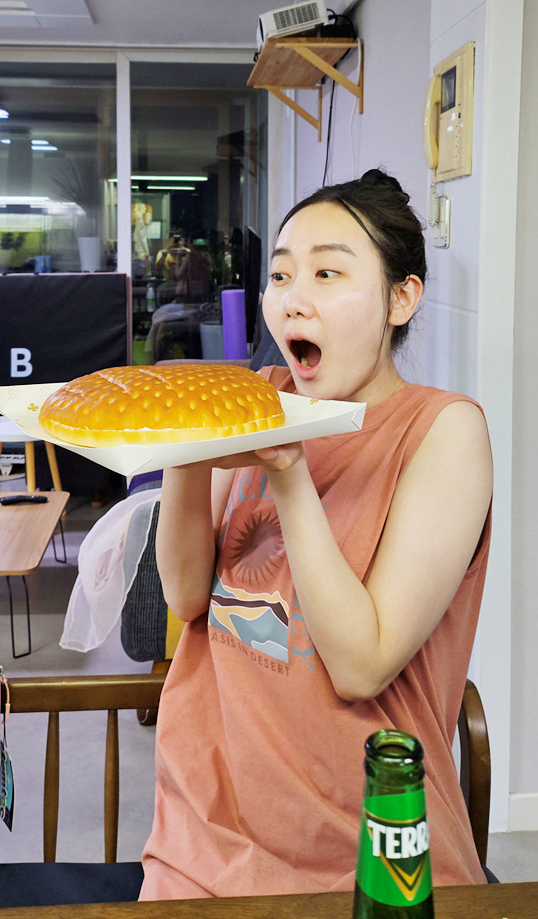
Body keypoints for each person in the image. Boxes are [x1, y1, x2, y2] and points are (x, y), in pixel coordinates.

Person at [140, 169, 493, 900]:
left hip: (370, 856)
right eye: (280, 275)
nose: (292, 298)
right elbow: (186, 596)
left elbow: (361, 667)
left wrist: (288, 471)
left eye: (327, 273)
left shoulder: (442, 431)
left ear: (401, 299)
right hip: (201, 840)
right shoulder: (255, 396)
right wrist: (181, 448)